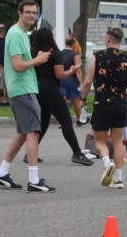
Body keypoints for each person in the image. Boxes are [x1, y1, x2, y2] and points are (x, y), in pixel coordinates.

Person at [0, 0, 53, 192]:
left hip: (21, 88)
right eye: (28, 12)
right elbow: (17, 65)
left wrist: (36, 60)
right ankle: (33, 180)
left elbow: (20, 63)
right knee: (33, 131)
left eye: (34, 13)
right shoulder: (17, 34)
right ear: (19, 13)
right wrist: (37, 60)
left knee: (23, 133)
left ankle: (1, 173)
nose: (31, 16)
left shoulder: (21, 34)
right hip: (22, 88)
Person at [80, 26, 127, 189]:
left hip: (102, 103)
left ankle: (107, 163)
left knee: (100, 141)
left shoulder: (98, 57)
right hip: (120, 105)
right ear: (120, 41)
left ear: (107, 40)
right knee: (118, 141)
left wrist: (83, 98)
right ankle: (118, 179)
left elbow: (87, 82)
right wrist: (124, 98)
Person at [30, 25, 93, 166]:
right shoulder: (55, 54)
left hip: (37, 89)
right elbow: (59, 75)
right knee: (66, 121)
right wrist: (71, 71)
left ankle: (30, 153)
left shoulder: (34, 53)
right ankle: (77, 153)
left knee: (43, 122)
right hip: (51, 90)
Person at [60, 35, 86, 125]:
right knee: (76, 102)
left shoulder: (60, 53)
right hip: (73, 81)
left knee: (63, 102)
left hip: (62, 79)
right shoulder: (76, 55)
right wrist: (81, 83)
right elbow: (78, 71)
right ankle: (79, 119)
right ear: (74, 43)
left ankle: (62, 122)